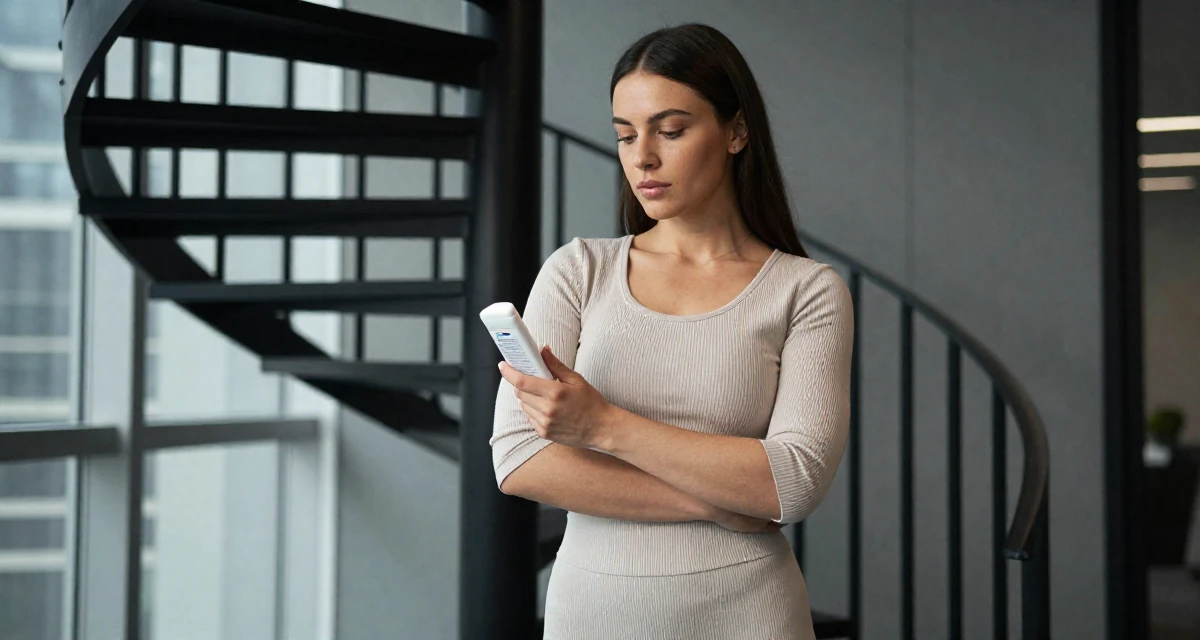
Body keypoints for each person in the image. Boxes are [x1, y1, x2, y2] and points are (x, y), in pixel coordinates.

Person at [489, 22, 854, 640]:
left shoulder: (806, 291)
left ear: (736, 131)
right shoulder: (579, 270)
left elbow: (791, 480)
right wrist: (714, 503)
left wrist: (603, 426)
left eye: (672, 130)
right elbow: (521, 459)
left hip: (749, 612)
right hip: (593, 611)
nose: (643, 157)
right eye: (626, 136)